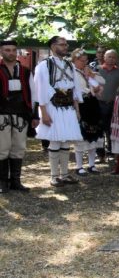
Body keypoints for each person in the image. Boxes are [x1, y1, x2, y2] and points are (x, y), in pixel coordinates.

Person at [34, 36, 84, 187]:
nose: (65, 47)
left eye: (66, 44)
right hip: (52, 106)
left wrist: (77, 109)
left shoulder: (69, 65)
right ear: (53, 46)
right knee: (55, 140)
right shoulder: (44, 65)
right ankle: (54, 176)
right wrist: (44, 113)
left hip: (68, 107)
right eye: (62, 44)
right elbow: (40, 90)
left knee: (66, 140)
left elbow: (75, 87)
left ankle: (65, 174)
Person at [0, 40, 39, 193]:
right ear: (2, 52)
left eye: (13, 50)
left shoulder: (25, 71)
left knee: (18, 148)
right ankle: (2, 182)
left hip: (21, 115)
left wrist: (35, 115)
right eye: (7, 50)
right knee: (2, 149)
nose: (11, 53)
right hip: (1, 114)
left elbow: (33, 94)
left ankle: (15, 181)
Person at [71, 48, 105, 175]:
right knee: (82, 135)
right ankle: (79, 166)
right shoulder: (71, 72)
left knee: (95, 135)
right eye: (82, 60)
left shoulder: (87, 71)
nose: (84, 63)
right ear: (75, 60)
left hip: (92, 104)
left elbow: (102, 82)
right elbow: (75, 90)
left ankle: (92, 164)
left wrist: (92, 74)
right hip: (81, 105)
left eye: (86, 60)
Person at [97, 49, 119, 164]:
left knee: (112, 129)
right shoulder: (97, 70)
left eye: (114, 57)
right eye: (109, 57)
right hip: (98, 104)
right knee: (99, 130)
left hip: (114, 104)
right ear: (104, 58)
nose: (111, 59)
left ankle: (111, 152)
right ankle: (100, 154)